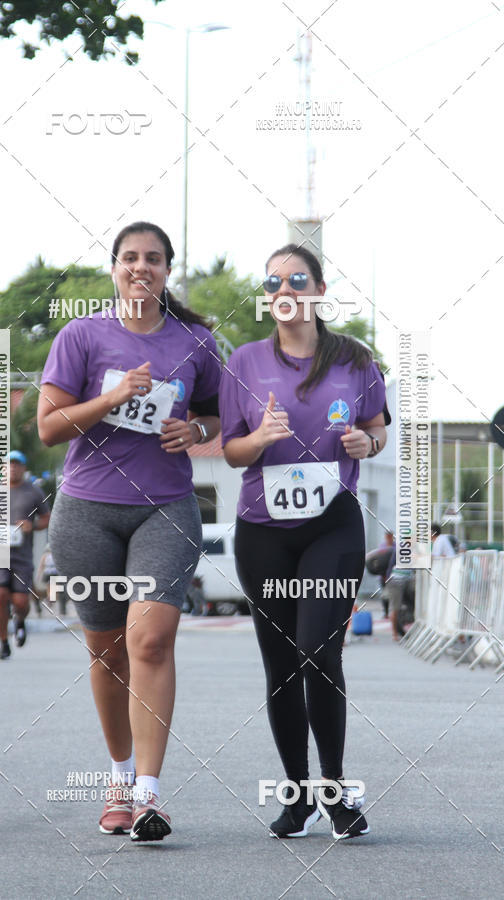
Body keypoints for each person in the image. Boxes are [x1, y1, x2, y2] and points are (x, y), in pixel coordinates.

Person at [38, 221, 221, 842]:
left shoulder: (195, 341)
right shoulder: (81, 335)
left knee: (150, 642)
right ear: (114, 268)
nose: (141, 267)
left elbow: (215, 416)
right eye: (130, 258)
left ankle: (149, 794)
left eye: (154, 259)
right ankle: (116, 778)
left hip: (164, 508)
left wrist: (194, 433)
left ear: (169, 270)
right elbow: (49, 427)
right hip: (88, 510)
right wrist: (112, 397)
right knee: (107, 650)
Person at [219, 243, 390, 840]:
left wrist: (367, 445)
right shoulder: (242, 361)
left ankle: (335, 790)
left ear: (318, 289)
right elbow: (231, 450)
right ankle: (297, 796)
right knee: (281, 665)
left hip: (332, 524)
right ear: (267, 296)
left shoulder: (355, 359)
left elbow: (377, 429)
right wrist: (260, 436)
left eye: (297, 278)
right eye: (273, 281)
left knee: (319, 651)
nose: (284, 289)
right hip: (263, 529)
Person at [0, 451, 51, 659]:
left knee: (20, 601)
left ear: (24, 468)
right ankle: (3, 642)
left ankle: (20, 620)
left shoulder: (33, 492)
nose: (13, 468)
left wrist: (31, 525)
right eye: (9, 465)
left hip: (21, 556)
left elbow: (47, 519)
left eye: (17, 465)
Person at [378, 530, 394, 618]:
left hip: (393, 575)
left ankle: (392, 612)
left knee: (393, 595)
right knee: (384, 595)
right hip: (383, 576)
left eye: (390, 537)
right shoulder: (382, 547)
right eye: (387, 537)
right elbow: (380, 563)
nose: (389, 539)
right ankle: (386, 612)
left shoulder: (395, 547)